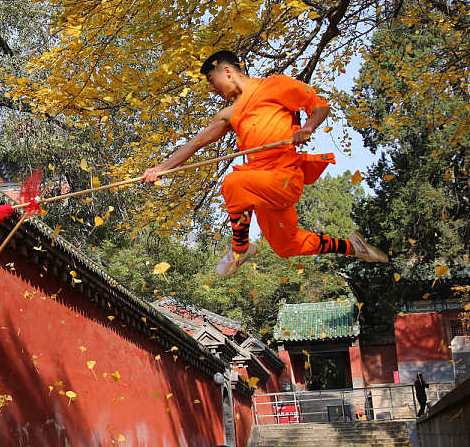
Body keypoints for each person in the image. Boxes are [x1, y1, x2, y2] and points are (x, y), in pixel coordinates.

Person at [143, 50, 389, 277]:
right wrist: (160, 169)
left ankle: (240, 248)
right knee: (286, 245)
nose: (212, 88)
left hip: (283, 177)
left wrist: (308, 127)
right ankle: (352, 247)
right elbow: (196, 143)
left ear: (227, 71)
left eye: (211, 80)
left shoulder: (275, 86)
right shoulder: (229, 114)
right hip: (260, 186)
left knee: (233, 182)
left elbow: (320, 106)